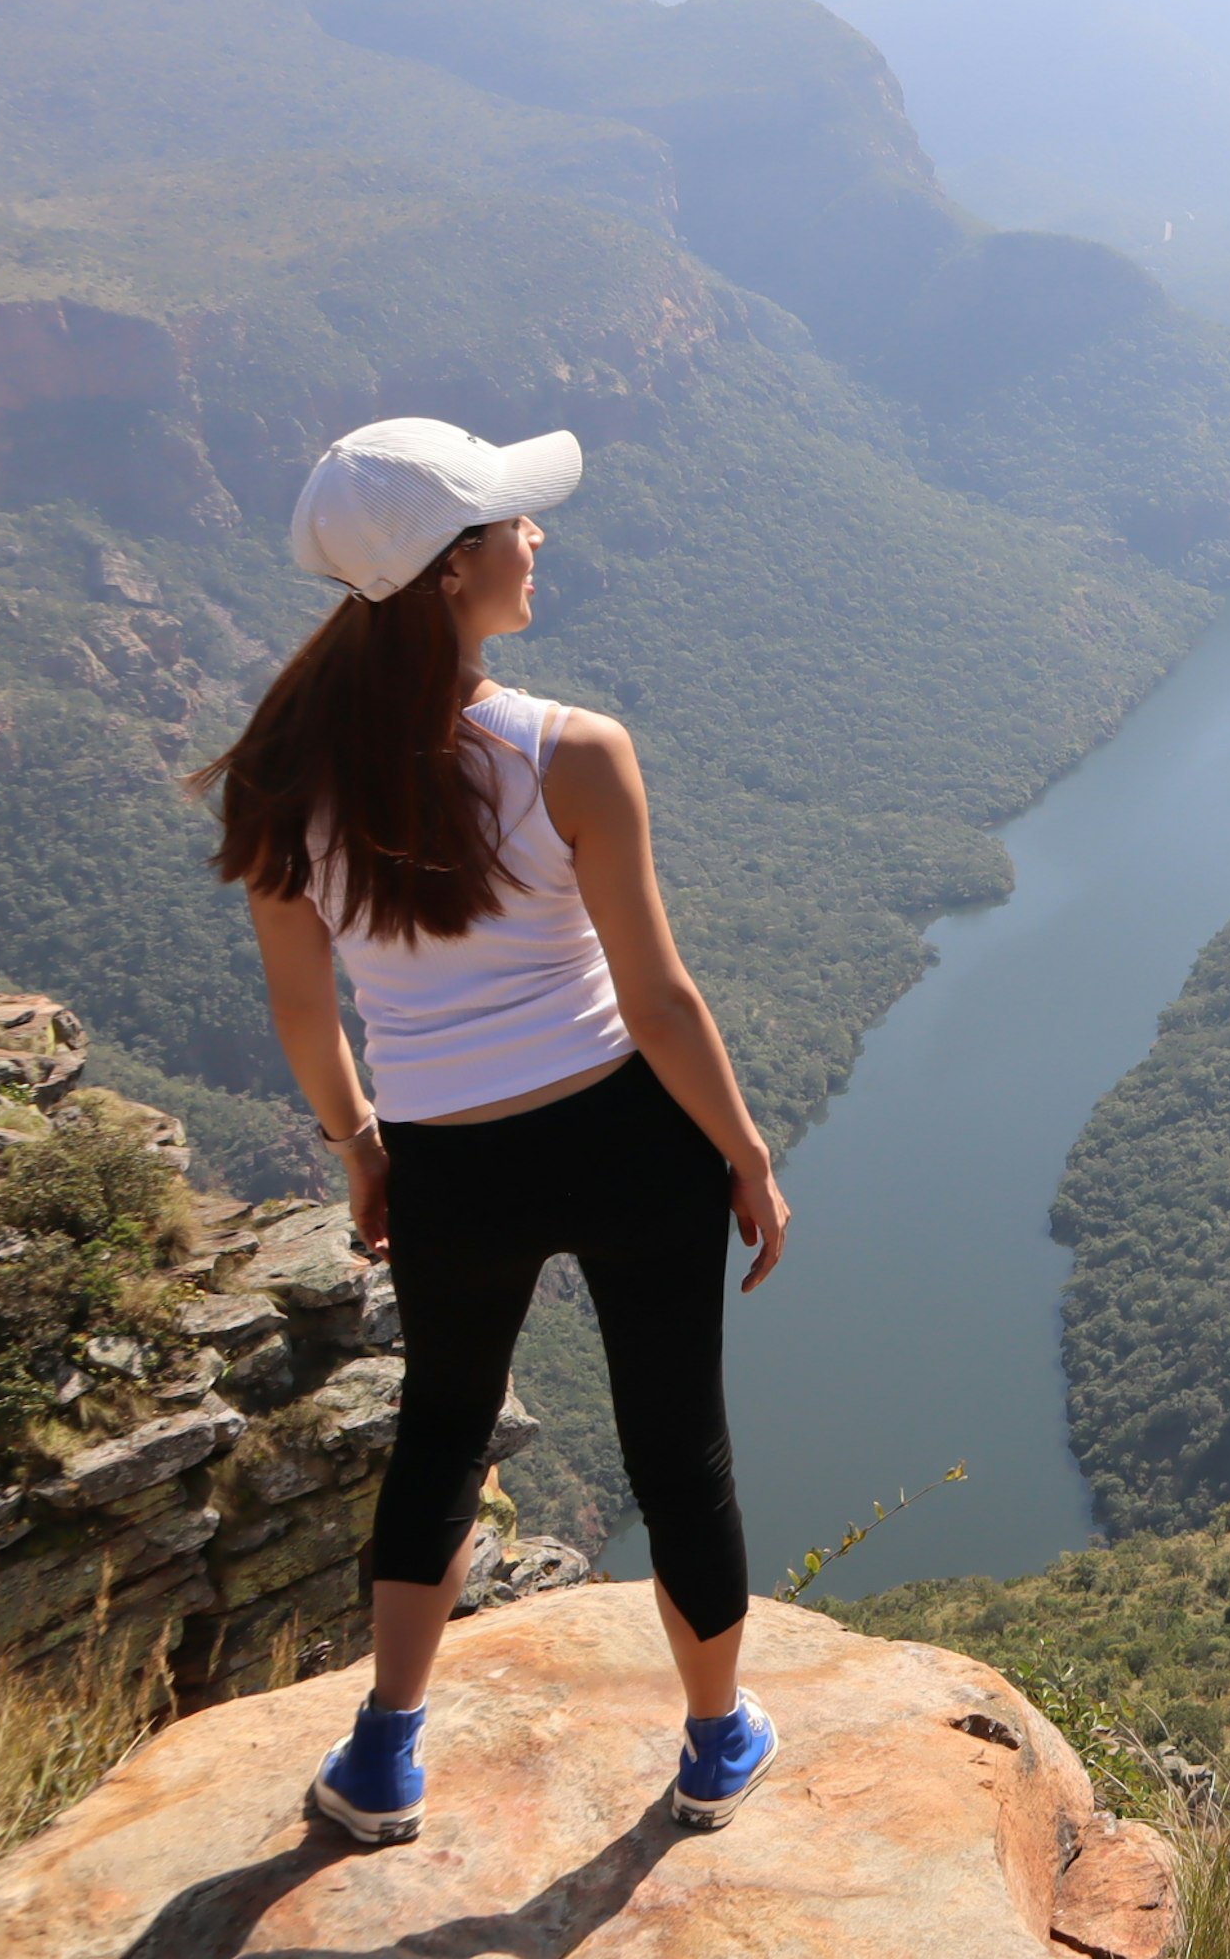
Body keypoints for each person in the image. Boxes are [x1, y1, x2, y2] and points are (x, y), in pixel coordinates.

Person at [193, 418, 794, 1843]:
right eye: (518, 520)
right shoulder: (571, 752)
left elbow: (302, 1015)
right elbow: (657, 999)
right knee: (678, 1438)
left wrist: (362, 1148)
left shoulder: (280, 783)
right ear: (459, 568)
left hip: (446, 1157)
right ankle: (717, 1742)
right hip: (630, 1138)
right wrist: (749, 1154)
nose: (541, 538)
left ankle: (387, 1752)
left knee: (440, 1433)